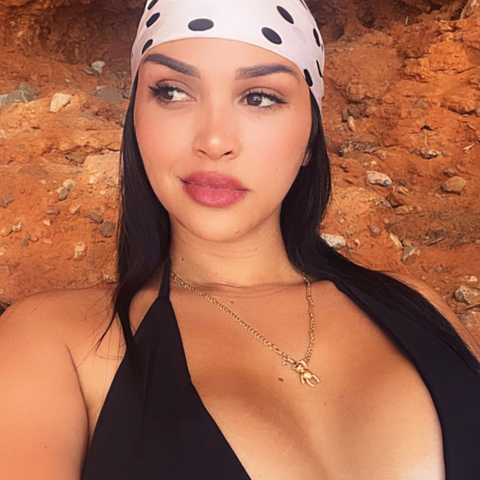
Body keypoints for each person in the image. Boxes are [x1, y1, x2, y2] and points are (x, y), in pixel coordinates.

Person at [1, 0, 480, 478]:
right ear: (135, 123)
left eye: (260, 98)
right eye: (172, 92)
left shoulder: (419, 307)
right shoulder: (54, 343)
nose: (214, 141)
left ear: (310, 136)